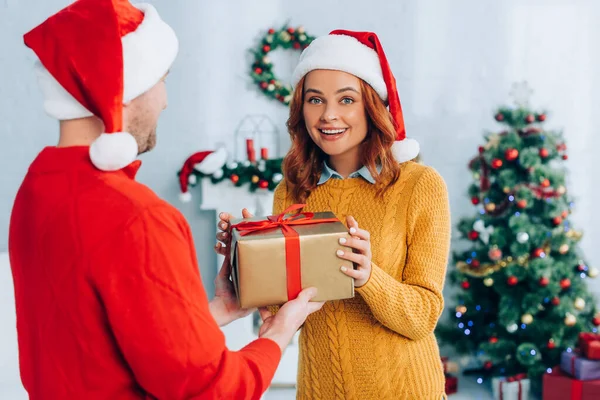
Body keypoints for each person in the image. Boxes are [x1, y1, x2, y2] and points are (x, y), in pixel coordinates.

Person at [8, 1, 322, 399]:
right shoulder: (136, 218)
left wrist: (216, 312)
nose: (165, 101)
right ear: (121, 89)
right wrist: (278, 334)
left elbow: (103, 343)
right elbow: (209, 390)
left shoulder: (38, 189)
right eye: (161, 80)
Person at [217, 30, 451, 399]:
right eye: (315, 100)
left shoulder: (419, 186)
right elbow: (284, 313)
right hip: (319, 390)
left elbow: (422, 317)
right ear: (301, 109)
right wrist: (246, 260)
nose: (328, 115)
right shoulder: (291, 191)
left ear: (371, 106)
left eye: (346, 99)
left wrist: (368, 276)